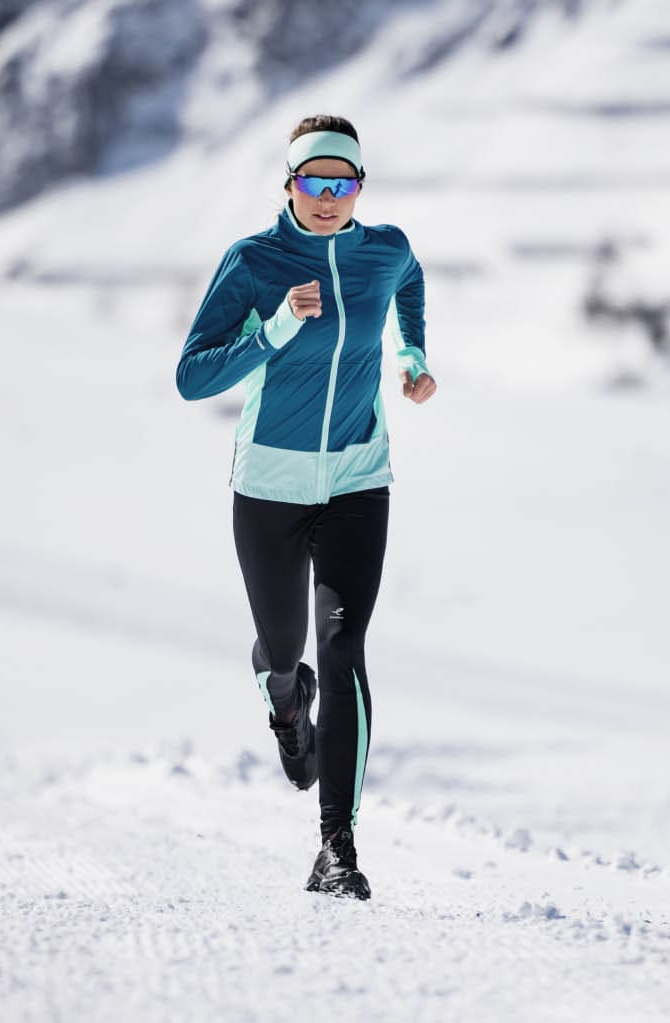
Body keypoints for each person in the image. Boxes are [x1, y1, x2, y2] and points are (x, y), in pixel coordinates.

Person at [175, 114, 434, 901]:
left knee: (344, 646)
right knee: (285, 650)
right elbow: (192, 376)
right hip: (270, 488)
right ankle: (285, 702)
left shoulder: (383, 250)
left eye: (342, 182)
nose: (327, 197)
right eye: (313, 182)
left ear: (360, 188)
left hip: (358, 478)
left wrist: (414, 352)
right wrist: (275, 330)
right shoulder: (253, 262)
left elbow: (410, 279)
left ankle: (335, 848)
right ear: (288, 186)